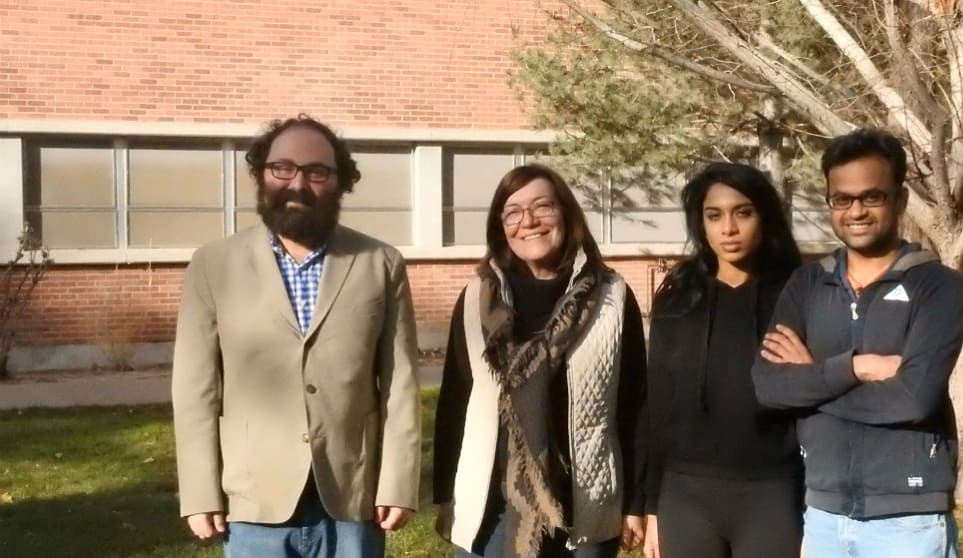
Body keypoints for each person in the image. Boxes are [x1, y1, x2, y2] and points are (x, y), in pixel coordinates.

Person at [171, 114, 421, 558]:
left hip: (351, 497)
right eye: (282, 168)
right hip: (253, 501)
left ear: (341, 182)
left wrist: (398, 482)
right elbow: (195, 389)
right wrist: (199, 490)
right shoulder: (213, 265)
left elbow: (400, 385)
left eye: (316, 171)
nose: (297, 183)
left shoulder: (380, 264)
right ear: (260, 176)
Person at [751, 128, 963, 558]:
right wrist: (856, 367)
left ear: (900, 200)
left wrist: (812, 380)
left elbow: (913, 400)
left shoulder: (938, 286)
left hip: (909, 520)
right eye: (843, 199)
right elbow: (769, 387)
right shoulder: (807, 283)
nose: (857, 212)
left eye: (873, 197)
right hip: (824, 515)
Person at [432, 163, 647, 558]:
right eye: (513, 212)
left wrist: (636, 503)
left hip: (585, 504)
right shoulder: (477, 299)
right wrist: (446, 495)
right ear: (501, 227)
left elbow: (635, 406)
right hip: (492, 506)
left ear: (566, 214)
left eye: (543, 207)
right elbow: (455, 400)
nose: (528, 221)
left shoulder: (612, 296)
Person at [642, 162, 805, 558]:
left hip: (773, 491)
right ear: (701, 223)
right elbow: (657, 405)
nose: (728, 229)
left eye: (743, 213)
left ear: (765, 216)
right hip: (686, 495)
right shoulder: (678, 297)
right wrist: (649, 508)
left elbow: (818, 400)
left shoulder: (800, 294)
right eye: (714, 216)